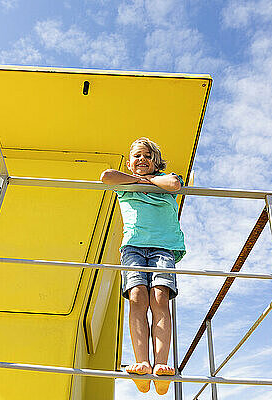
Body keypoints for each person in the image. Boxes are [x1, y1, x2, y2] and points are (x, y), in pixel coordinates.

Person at [100, 137, 185, 395]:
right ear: (130, 161)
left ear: (155, 161)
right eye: (137, 156)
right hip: (133, 247)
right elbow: (107, 176)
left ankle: (161, 366)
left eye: (148, 156)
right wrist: (138, 180)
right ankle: (143, 364)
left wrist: (144, 181)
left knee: (160, 299)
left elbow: (174, 183)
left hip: (163, 248)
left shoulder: (165, 179)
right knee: (137, 298)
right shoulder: (125, 183)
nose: (142, 160)